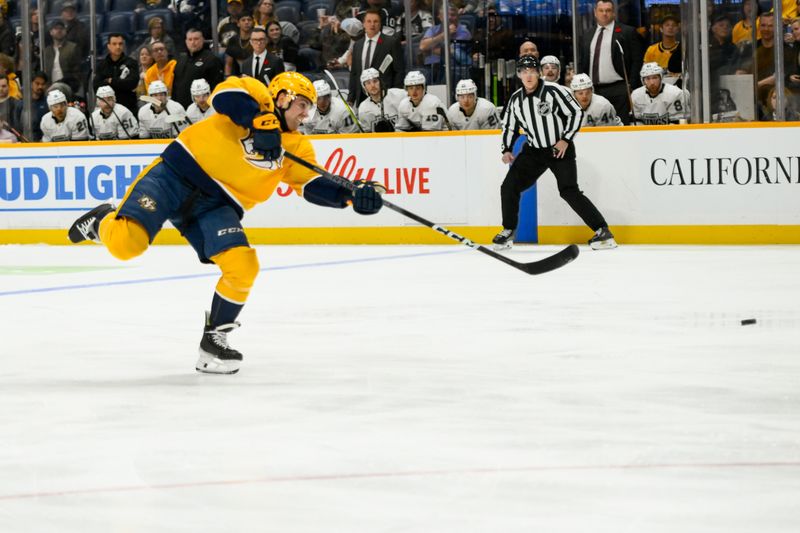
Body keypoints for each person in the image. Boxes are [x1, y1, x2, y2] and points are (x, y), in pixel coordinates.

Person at [66, 73, 384, 374]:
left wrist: (349, 195)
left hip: (217, 205)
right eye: (303, 106)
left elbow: (313, 184)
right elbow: (224, 97)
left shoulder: (298, 146)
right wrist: (262, 122)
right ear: (284, 97)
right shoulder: (256, 95)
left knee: (244, 265)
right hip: (174, 177)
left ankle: (213, 341)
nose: (305, 116)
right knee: (126, 245)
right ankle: (102, 220)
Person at [493, 56, 616, 251]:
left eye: (532, 71)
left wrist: (566, 139)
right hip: (534, 151)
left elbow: (576, 112)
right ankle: (508, 230)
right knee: (509, 187)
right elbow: (509, 126)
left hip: (559, 150)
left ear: (538, 73)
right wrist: (506, 149)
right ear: (519, 75)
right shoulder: (516, 99)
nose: (528, 75)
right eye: (524, 72)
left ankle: (603, 231)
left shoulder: (555, 91)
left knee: (569, 191)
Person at [579, 0, 643, 125]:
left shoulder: (626, 32)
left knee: (620, 126)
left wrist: (631, 86)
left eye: (608, 10)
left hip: (619, 88)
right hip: (593, 90)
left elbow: (637, 60)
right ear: (595, 13)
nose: (604, 14)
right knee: (595, 126)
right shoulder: (587, 34)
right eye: (601, 10)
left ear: (613, 13)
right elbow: (583, 61)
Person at [348, 9, 404, 104]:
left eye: (375, 21)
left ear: (380, 24)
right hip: (362, 96)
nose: (372, 24)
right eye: (369, 21)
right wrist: (351, 99)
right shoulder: (357, 45)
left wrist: (395, 94)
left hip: (385, 96)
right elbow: (354, 74)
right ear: (364, 24)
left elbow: (399, 71)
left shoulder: (391, 43)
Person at [172, 28, 224, 109]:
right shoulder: (180, 59)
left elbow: (216, 86)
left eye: (196, 39)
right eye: (190, 39)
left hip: (203, 108)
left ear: (202, 40)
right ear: (186, 41)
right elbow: (175, 85)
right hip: (180, 108)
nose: (193, 42)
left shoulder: (211, 59)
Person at [419, 3, 471, 84]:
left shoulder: (464, 32)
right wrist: (444, 35)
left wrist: (429, 50)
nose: (449, 17)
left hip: (452, 68)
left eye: (453, 15)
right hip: (430, 67)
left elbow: (450, 52)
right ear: (440, 17)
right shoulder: (433, 30)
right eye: (446, 14)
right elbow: (422, 46)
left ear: (458, 16)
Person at [94, 33, 139, 114]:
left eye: (120, 44)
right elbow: (96, 86)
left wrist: (111, 81)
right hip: (107, 107)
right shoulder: (102, 65)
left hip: (128, 107)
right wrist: (120, 83)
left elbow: (132, 83)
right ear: (108, 46)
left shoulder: (131, 63)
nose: (118, 47)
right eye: (114, 44)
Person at [357, 67, 405, 132]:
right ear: (364, 87)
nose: (373, 85)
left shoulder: (399, 95)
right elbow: (366, 133)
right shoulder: (363, 108)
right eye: (368, 83)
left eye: (375, 81)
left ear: (381, 82)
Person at [43, 20, 82, 93]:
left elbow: (77, 72)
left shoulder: (73, 48)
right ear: (51, 32)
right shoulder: (46, 51)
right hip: (49, 89)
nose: (59, 30)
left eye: (61, 28)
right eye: (56, 28)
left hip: (68, 87)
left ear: (65, 31)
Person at [224, 12, 254, 76]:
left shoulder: (256, 38)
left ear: (252, 23)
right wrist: (227, 78)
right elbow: (228, 64)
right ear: (238, 24)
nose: (246, 22)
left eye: (249, 20)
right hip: (237, 76)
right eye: (243, 20)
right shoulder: (233, 40)